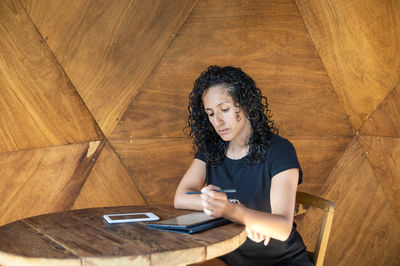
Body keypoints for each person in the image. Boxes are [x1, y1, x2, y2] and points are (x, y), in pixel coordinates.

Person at [174, 65, 313, 266]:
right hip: (230, 257)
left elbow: (282, 228)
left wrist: (232, 210)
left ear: (246, 105)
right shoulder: (210, 149)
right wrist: (219, 204)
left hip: (281, 261)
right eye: (210, 113)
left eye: (225, 109)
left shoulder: (280, 150)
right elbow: (181, 197)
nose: (218, 121)